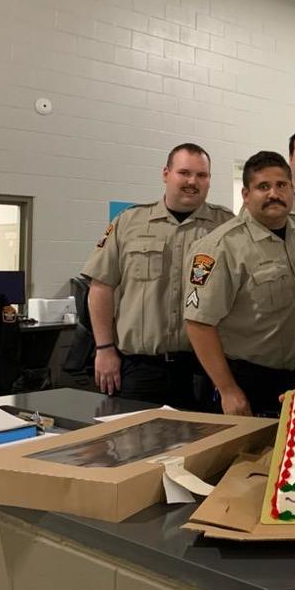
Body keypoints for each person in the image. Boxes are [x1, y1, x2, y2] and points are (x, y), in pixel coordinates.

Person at [81, 143, 234, 407]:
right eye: (184, 172)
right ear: (166, 174)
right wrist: (104, 349)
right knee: (135, 445)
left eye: (201, 175)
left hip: (206, 369)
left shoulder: (226, 226)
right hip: (141, 368)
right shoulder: (129, 222)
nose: (192, 181)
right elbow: (100, 287)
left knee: (205, 445)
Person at [184, 151, 295, 416]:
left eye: (281, 185)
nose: (274, 193)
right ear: (246, 195)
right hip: (251, 382)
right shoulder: (220, 247)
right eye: (263, 186)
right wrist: (227, 390)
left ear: (292, 190)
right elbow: (199, 324)